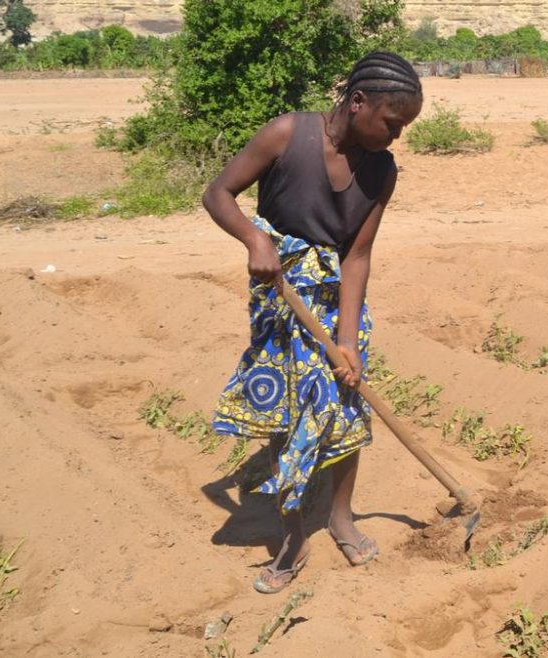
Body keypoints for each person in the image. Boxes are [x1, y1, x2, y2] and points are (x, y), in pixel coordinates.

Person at [202, 51, 423, 594]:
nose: (396, 136)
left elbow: (357, 255)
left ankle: (341, 518)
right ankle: (294, 535)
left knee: (346, 402)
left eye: (403, 127)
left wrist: (348, 341)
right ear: (358, 102)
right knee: (289, 411)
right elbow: (217, 193)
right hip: (281, 297)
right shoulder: (287, 135)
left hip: (337, 299)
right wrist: (254, 239)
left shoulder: (382, 170)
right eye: (392, 123)